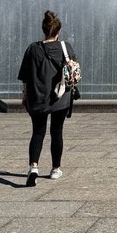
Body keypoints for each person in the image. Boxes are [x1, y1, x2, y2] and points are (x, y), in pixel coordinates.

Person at [18, 10, 77, 187]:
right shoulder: (66, 48)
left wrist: (25, 96)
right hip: (60, 98)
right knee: (56, 132)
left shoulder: (33, 49)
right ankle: (55, 169)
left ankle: (33, 167)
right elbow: (73, 72)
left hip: (38, 97)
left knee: (38, 132)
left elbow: (25, 77)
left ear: (44, 30)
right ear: (58, 32)